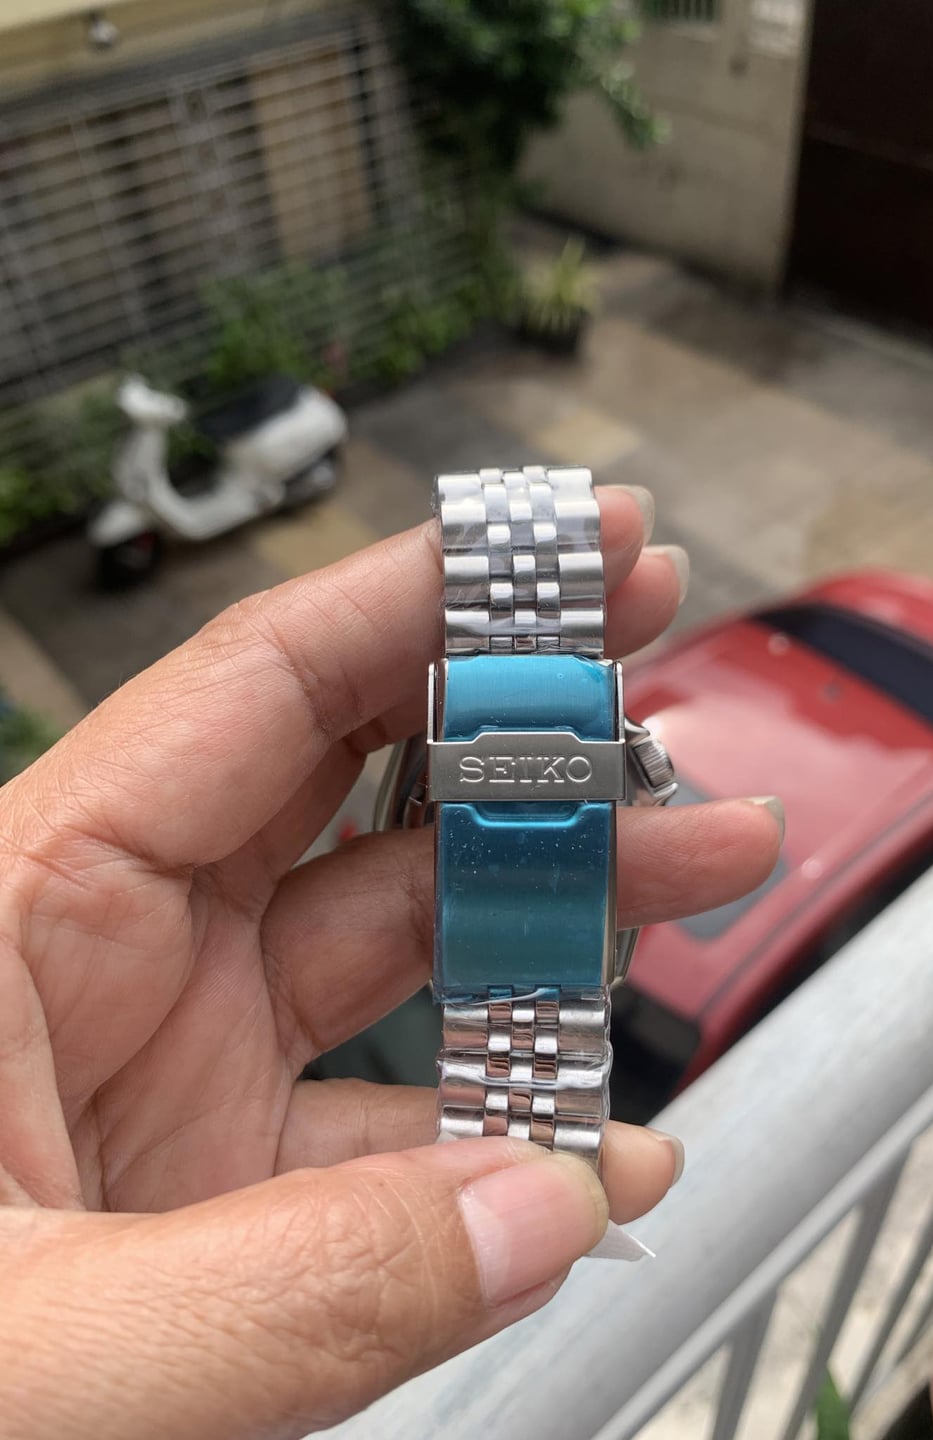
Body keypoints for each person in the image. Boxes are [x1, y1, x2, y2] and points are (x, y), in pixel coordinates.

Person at [0, 488, 781, 1440]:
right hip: (534, 922)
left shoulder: (462, 731)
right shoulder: (570, 714)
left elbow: (416, 801)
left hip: (498, 915)